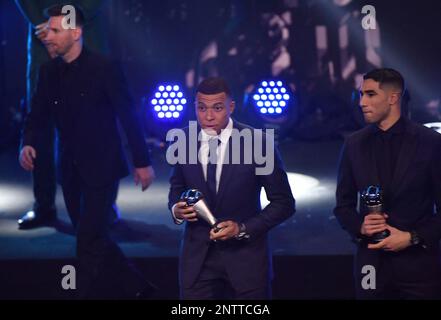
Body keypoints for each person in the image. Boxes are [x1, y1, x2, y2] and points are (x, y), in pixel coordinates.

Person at [19, 4, 156, 299]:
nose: (48, 36)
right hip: (69, 169)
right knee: (93, 238)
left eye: (56, 30)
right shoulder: (48, 71)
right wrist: (28, 142)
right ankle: (139, 290)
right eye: (49, 30)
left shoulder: (104, 69)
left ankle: (85, 294)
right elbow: (38, 115)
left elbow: (128, 116)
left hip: (102, 168)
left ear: (76, 33)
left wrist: (141, 162)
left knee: (88, 241)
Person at [168, 77, 295, 299]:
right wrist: (176, 210)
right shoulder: (183, 141)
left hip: (246, 261)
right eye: (201, 108)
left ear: (231, 106)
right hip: (197, 262)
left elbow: (284, 203)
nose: (208, 116)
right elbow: (177, 188)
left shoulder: (259, 143)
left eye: (217, 108)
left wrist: (242, 228)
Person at [334, 68, 441, 299]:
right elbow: (343, 205)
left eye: (370, 94)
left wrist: (412, 237)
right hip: (370, 265)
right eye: (361, 95)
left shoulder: (431, 143)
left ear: (393, 98)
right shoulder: (354, 144)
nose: (362, 102)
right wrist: (360, 227)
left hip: (419, 266)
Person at [15, 0, 121, 229]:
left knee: (98, 119)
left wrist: (68, 25)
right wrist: (44, 23)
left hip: (86, 32)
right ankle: (43, 203)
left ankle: (104, 204)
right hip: (42, 34)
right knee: (41, 116)